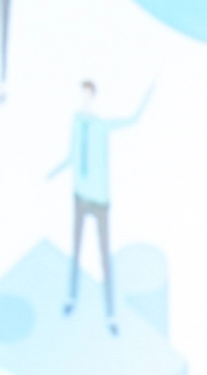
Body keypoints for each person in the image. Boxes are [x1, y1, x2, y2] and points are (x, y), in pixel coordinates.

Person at [48, 80, 153, 335]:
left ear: (93, 98)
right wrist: (51, 173)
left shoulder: (101, 125)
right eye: (81, 95)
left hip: (100, 200)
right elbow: (72, 156)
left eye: (87, 96)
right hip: (79, 196)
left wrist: (150, 89)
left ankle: (111, 315)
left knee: (104, 257)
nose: (84, 100)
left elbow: (132, 119)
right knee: (76, 250)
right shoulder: (76, 122)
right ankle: (71, 298)